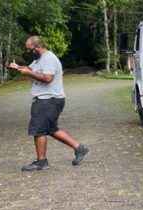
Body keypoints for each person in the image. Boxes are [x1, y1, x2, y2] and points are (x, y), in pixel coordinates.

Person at [7, 36, 89, 172]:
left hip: (49, 99)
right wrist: (17, 67)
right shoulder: (39, 59)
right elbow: (29, 69)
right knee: (51, 129)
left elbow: (47, 78)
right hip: (47, 99)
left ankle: (41, 162)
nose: (28, 52)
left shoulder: (49, 58)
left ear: (37, 47)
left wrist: (28, 72)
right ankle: (79, 148)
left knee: (38, 130)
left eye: (29, 50)